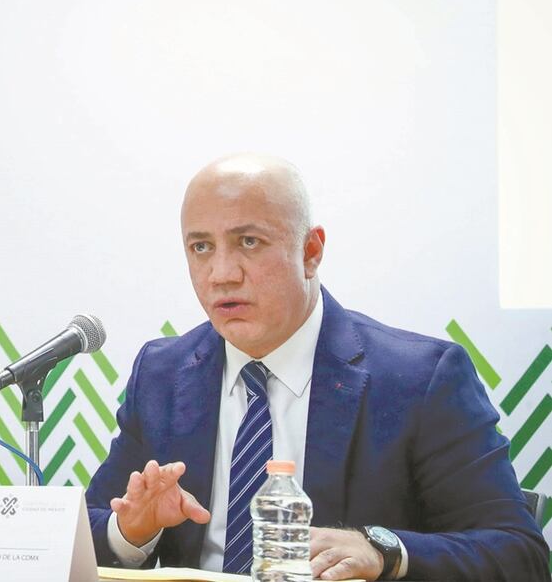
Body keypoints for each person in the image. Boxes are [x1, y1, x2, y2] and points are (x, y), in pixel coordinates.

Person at [85, 155, 550, 581]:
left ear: (311, 252)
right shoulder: (163, 373)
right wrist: (131, 532)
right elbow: (92, 526)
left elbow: (517, 553)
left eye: (249, 242)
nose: (222, 273)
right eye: (201, 247)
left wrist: (383, 551)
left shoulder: (420, 379)